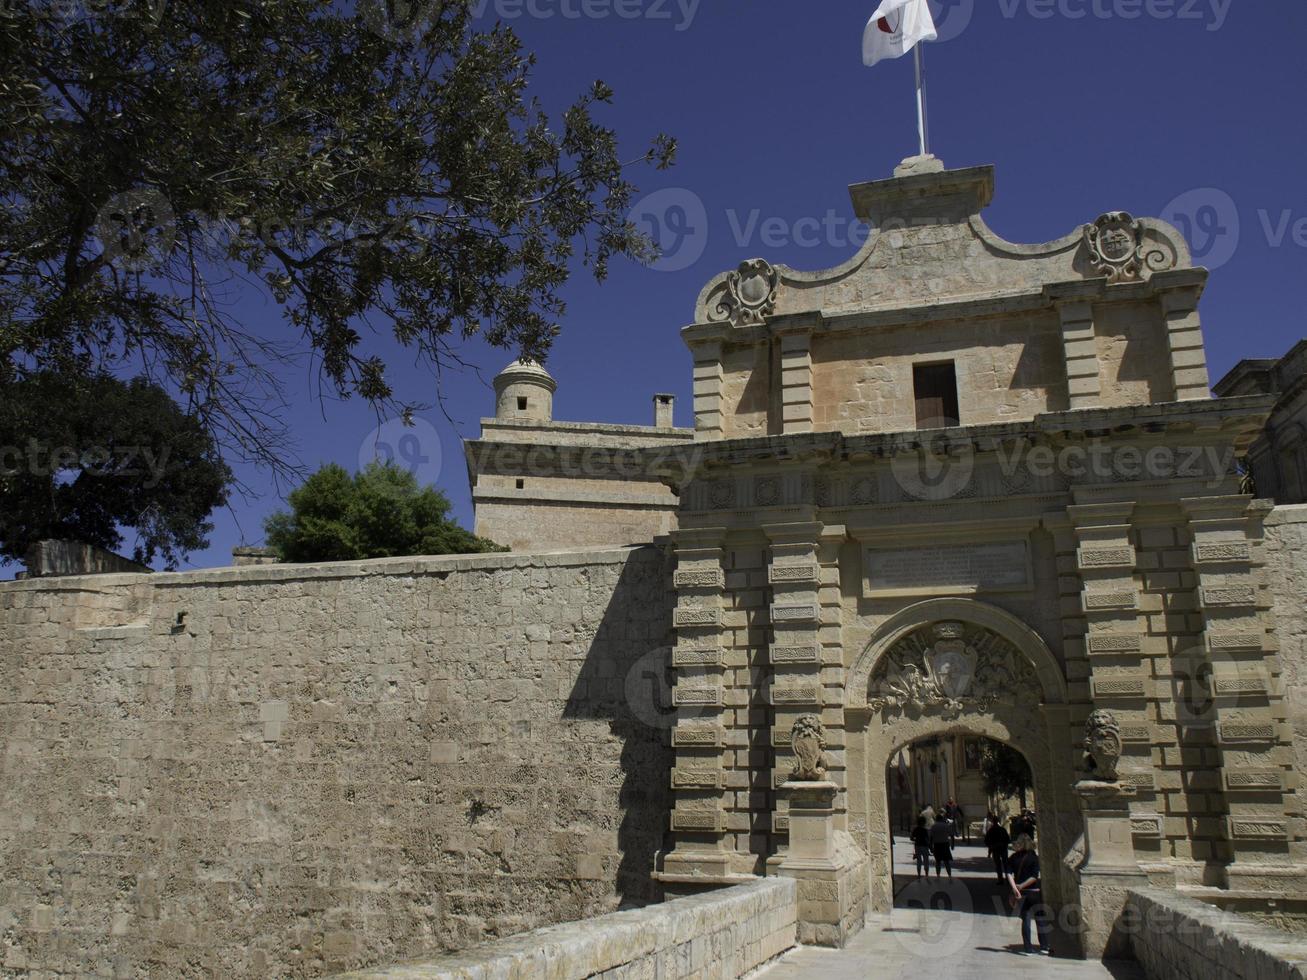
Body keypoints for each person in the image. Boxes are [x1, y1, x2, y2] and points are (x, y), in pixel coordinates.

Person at [1006, 834, 1052, 956]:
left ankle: (1028, 948)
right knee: (1040, 918)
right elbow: (1034, 877)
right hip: (1034, 892)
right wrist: (1022, 886)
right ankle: (1044, 946)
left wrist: (1015, 888)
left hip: (1021, 894)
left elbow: (1009, 874)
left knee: (1025, 920)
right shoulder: (1034, 858)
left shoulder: (1013, 858)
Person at [984, 812, 1011, 882]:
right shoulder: (1002, 830)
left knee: (998, 865)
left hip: (995, 849)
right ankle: (1008, 879)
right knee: (1005, 864)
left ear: (993, 822)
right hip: (1003, 848)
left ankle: (1000, 879)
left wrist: (990, 850)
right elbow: (1008, 839)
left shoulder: (991, 830)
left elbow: (987, 841)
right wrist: (1004, 845)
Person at [929, 812, 953, 879]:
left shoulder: (934, 826)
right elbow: (951, 835)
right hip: (945, 844)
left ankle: (938, 875)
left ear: (936, 819)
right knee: (946, 861)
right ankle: (949, 875)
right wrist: (952, 845)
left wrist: (930, 847)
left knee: (938, 861)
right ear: (942, 819)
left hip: (937, 845)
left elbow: (931, 837)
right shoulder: (946, 825)